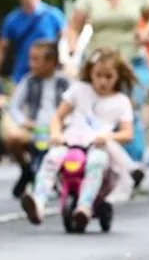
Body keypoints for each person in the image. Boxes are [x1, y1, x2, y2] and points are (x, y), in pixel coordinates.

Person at [21, 48, 138, 228]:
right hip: (71, 141)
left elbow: (127, 133)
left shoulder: (121, 101)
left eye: (108, 77)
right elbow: (57, 117)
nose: (102, 81)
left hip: (98, 146)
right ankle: (39, 202)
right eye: (98, 75)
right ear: (90, 72)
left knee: (96, 162)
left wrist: (109, 137)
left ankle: (85, 206)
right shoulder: (79, 90)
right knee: (52, 158)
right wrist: (56, 134)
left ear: (118, 77)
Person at [65, 0, 149, 173]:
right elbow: (73, 27)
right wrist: (73, 47)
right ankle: (106, 165)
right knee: (96, 111)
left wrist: (146, 32)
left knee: (130, 109)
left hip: (131, 61)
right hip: (99, 63)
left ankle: (132, 165)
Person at [4, 41, 71, 197]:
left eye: (36, 59)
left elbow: (76, 105)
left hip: (58, 130)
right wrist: (24, 122)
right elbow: (14, 106)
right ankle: (26, 168)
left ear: (51, 62)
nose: (31, 64)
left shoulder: (65, 82)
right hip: (35, 128)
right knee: (13, 139)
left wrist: (66, 123)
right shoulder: (28, 81)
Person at [0, 0, 67, 85]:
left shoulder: (54, 15)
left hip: (50, 75)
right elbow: (2, 48)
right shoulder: (12, 19)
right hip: (22, 77)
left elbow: (67, 40)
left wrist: (68, 65)